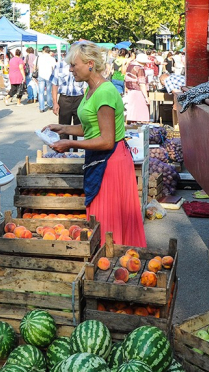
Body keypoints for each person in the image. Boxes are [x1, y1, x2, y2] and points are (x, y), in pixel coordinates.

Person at [44, 42, 146, 248]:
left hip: (111, 163)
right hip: (102, 159)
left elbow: (106, 140)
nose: (70, 70)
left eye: (74, 65)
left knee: (108, 224)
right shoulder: (91, 89)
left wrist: (70, 144)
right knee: (103, 221)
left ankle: (111, 258)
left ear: (90, 64)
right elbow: (91, 128)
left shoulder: (104, 92)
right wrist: (63, 128)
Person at [51, 53, 86, 139]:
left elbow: (85, 87)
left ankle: (76, 147)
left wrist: (86, 102)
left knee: (79, 128)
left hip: (79, 98)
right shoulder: (59, 65)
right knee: (63, 128)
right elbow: (55, 85)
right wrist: (55, 103)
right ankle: (64, 146)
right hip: (64, 99)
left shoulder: (81, 65)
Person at [124, 52, 151, 123]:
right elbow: (142, 83)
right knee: (140, 115)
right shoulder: (139, 68)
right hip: (138, 91)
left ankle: (131, 127)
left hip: (130, 91)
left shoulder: (130, 66)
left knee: (131, 113)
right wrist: (146, 97)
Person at [36, 46, 57, 113]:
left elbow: (37, 67)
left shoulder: (39, 57)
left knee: (41, 92)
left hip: (41, 75)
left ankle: (41, 108)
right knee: (48, 91)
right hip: (49, 75)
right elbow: (54, 67)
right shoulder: (52, 58)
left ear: (43, 50)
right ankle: (50, 104)